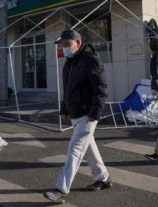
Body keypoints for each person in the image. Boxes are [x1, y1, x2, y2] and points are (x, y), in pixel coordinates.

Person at [44, 29, 111, 204]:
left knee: (74, 150)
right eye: (62, 45)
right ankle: (103, 178)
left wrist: (95, 113)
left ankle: (60, 190)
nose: (64, 48)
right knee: (88, 148)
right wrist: (65, 107)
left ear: (78, 43)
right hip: (76, 113)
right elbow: (68, 89)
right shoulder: (70, 62)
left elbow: (101, 89)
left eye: (67, 44)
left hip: (87, 114)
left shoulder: (91, 60)